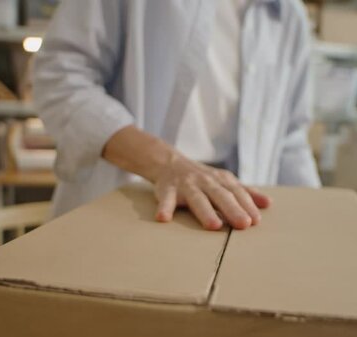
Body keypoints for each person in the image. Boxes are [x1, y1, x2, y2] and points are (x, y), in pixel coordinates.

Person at [33, 1, 321, 230]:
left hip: (232, 219)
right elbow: (60, 79)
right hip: (126, 201)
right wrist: (167, 164)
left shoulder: (288, 16)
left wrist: (321, 222)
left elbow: (289, 139)